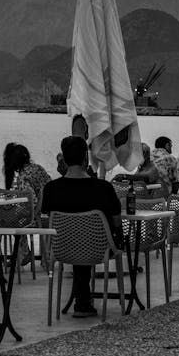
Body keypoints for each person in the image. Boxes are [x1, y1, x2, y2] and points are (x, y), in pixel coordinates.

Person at [41, 135, 123, 319]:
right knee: (92, 239)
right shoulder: (103, 188)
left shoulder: (51, 189)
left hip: (62, 249)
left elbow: (46, 217)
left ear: (63, 159)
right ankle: (84, 302)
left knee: (78, 239)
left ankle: (82, 301)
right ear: (86, 159)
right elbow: (117, 221)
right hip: (99, 249)